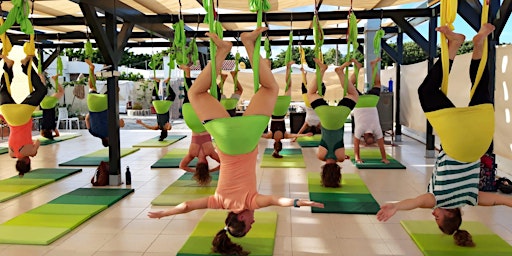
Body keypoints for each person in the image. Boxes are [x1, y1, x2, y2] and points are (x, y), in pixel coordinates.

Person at [149, 28, 324, 256]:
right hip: (224, 138)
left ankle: (248, 43)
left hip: (246, 138)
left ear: (241, 217)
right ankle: (223, 50)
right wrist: (164, 213)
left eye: (250, 223)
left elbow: (275, 200)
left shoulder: (250, 202)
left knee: (270, 88)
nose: (253, 220)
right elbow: (188, 206)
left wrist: (298, 203)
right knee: (196, 95)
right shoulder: (218, 202)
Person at [377, 24, 497, 247]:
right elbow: (415, 202)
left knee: (481, 85)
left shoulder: (471, 197)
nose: (434, 215)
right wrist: (395, 206)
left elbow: (497, 200)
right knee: (428, 92)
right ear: (449, 215)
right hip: (458, 144)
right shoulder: (437, 199)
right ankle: (455, 45)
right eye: (439, 218)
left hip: (482, 139)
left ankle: (479, 43)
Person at [307, 58, 359, 188]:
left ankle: (340, 72)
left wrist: (342, 156)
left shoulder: (340, 157)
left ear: (338, 172)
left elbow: (339, 152)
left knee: (352, 94)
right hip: (325, 117)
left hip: (339, 117)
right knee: (311, 93)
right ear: (323, 171)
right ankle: (322, 70)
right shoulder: (320, 156)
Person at [0, 54, 47, 176]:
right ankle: (8, 66)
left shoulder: (30, 152)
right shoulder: (11, 154)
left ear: (27, 162)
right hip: (8, 114)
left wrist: (33, 148)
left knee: (41, 91)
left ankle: (26, 66)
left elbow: (37, 141)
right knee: (3, 89)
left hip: (21, 116)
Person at [179, 64, 220, 186]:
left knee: (216, 100)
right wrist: (193, 171)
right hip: (192, 120)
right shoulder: (192, 154)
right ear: (197, 166)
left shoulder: (211, 153)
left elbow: (223, 164)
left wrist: (212, 170)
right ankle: (187, 72)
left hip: (204, 121)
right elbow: (182, 166)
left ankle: (213, 76)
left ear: (207, 165)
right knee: (189, 94)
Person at [261, 61, 312, 158]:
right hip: (273, 110)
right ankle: (267, 68)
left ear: (281, 145)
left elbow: (296, 135)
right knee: (269, 88)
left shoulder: (285, 136)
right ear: (273, 145)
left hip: (282, 110)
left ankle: (288, 68)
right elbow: (258, 135)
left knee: (288, 87)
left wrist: (306, 135)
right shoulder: (270, 136)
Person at [351, 58, 389, 164]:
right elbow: (356, 145)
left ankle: (372, 66)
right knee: (348, 85)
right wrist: (357, 158)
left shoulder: (377, 130)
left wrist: (384, 158)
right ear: (365, 137)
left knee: (377, 83)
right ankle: (358, 68)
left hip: (372, 101)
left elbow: (381, 146)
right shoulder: (360, 130)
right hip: (360, 103)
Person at [84, 59, 124, 146]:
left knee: (115, 89)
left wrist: (120, 124)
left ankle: (111, 71)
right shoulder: (93, 133)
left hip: (104, 106)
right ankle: (91, 68)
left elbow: (121, 121)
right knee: (91, 87)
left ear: (109, 140)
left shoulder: (111, 132)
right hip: (93, 106)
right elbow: (87, 118)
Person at [292, 67, 323, 142]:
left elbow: (324, 132)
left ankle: (318, 75)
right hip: (308, 103)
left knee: (320, 89)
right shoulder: (307, 123)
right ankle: (304, 73)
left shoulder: (319, 123)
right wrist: (295, 138)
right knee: (304, 88)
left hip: (316, 103)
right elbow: (300, 131)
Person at [39, 73, 64, 140]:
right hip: (43, 104)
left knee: (61, 91)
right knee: (42, 90)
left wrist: (53, 136)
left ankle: (55, 79)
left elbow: (57, 135)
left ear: (51, 132)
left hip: (50, 105)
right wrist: (47, 136)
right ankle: (42, 77)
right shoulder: (43, 128)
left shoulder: (52, 127)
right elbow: (41, 134)